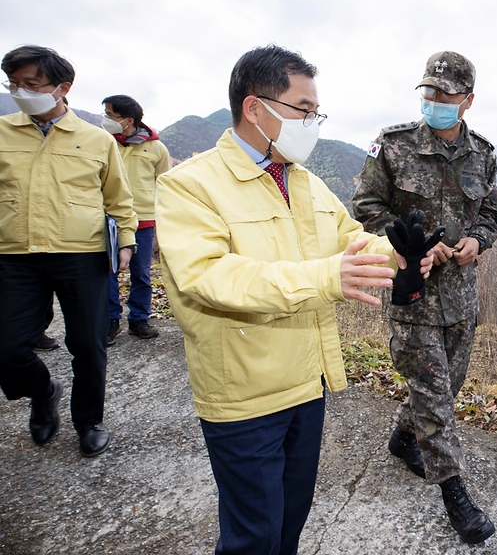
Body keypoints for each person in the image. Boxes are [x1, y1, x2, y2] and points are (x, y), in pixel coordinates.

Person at [156, 45, 432, 555]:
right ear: (254, 107)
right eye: (303, 110)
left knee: (289, 520)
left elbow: (348, 238)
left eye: (315, 112)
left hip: (308, 383)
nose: (313, 122)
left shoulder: (304, 183)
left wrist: (400, 254)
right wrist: (327, 277)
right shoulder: (189, 186)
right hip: (244, 393)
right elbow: (209, 276)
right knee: (253, 535)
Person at [352, 50, 497, 544]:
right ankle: (454, 490)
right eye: (429, 92)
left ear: (468, 101)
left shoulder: (483, 153)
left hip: (461, 298)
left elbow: (491, 212)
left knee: (444, 386)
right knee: (436, 398)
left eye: (446, 94)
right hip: (413, 293)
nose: (435, 101)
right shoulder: (391, 146)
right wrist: (411, 240)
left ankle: (403, 437)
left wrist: (477, 242)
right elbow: (365, 207)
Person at [0, 45, 137, 457]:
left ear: (63, 88)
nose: (21, 91)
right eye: (14, 84)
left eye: (32, 84)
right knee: (8, 345)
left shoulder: (95, 140)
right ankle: (43, 393)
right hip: (14, 254)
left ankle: (89, 420)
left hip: (81, 254)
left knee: (88, 343)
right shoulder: (3, 132)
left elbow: (118, 198)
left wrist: (126, 242)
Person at [101, 94, 171, 344]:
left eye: (110, 115)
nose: (106, 120)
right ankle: (110, 319)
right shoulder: (103, 142)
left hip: (143, 219)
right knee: (107, 272)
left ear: (128, 120)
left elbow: (163, 184)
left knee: (140, 272)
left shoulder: (156, 148)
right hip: (107, 218)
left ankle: (139, 319)